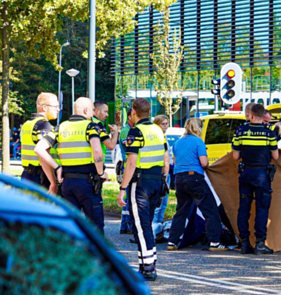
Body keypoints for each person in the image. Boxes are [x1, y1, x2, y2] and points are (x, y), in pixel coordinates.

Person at [118, 98, 169, 281]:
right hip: (156, 181)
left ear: (133, 112)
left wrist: (122, 188)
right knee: (145, 224)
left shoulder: (135, 131)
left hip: (140, 184)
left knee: (140, 226)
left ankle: (148, 267)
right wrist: (163, 180)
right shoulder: (157, 130)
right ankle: (147, 262)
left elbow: (131, 163)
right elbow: (166, 159)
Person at [167, 118, 233, 251]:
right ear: (198, 128)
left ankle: (172, 242)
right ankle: (215, 242)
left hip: (179, 179)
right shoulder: (198, 142)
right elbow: (204, 162)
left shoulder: (178, 143)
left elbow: (175, 161)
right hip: (195, 179)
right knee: (210, 210)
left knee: (181, 211)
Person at [231, 102, 279, 254]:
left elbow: (235, 156)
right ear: (262, 115)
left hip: (245, 173)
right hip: (262, 175)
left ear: (251, 115)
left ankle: (244, 243)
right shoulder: (269, 132)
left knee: (244, 209)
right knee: (262, 209)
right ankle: (260, 244)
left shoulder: (241, 131)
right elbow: (276, 156)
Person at [56, 97, 107, 230]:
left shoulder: (61, 127)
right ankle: (95, 251)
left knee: (72, 225)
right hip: (87, 182)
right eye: (91, 110)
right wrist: (101, 172)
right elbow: (97, 149)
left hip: (67, 182)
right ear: (85, 110)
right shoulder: (91, 126)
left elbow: (44, 148)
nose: (93, 113)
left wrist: (58, 166)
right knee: (95, 225)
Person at [19, 92, 60, 193]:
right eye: (55, 106)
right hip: (39, 178)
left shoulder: (27, 124)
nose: (58, 109)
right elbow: (42, 155)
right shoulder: (44, 125)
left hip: (26, 175)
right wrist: (53, 182)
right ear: (45, 107)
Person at [151, 115, 171, 240]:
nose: (166, 126)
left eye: (167, 123)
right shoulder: (157, 138)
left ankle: (158, 229)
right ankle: (154, 229)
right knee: (157, 204)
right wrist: (164, 177)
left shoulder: (164, 137)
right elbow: (165, 160)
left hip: (165, 173)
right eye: (163, 123)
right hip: (160, 173)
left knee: (163, 204)